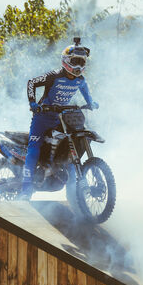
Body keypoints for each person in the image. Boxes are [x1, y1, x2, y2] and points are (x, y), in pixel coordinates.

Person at [20, 39, 99, 200]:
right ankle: (25, 191)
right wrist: (33, 103)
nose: (78, 66)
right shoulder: (54, 76)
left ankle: (73, 194)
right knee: (33, 150)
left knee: (69, 150)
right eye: (75, 61)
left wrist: (90, 103)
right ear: (66, 61)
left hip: (60, 118)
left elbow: (87, 95)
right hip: (42, 118)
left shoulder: (80, 80)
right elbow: (31, 83)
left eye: (82, 62)